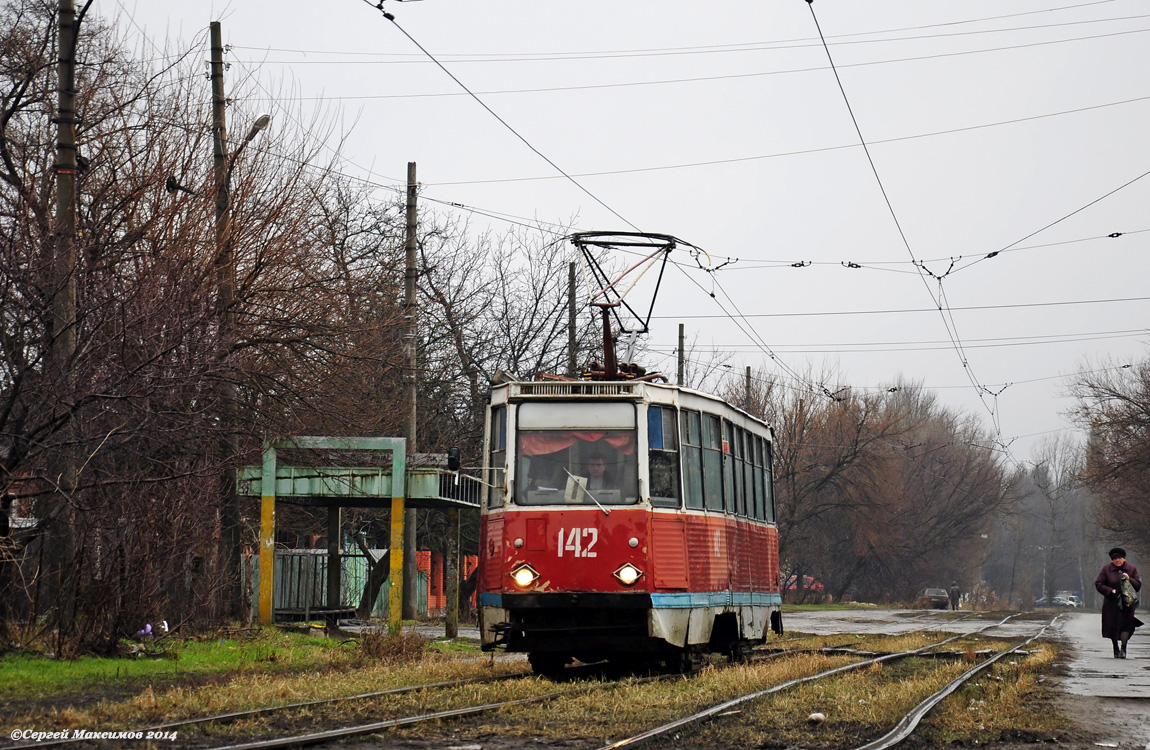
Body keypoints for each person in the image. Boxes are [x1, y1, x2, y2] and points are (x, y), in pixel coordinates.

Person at [1094, 547, 1143, 659]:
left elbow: (1138, 586)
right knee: (1113, 625)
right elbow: (1099, 584)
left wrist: (1129, 579)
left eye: (1119, 558)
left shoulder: (1131, 569)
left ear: (1124, 559)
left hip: (1127, 603)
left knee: (1126, 625)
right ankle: (1115, 647)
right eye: (1115, 558)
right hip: (1112, 603)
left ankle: (1123, 648)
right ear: (1112, 560)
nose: (1117, 560)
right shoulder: (1106, 569)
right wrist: (1110, 591)